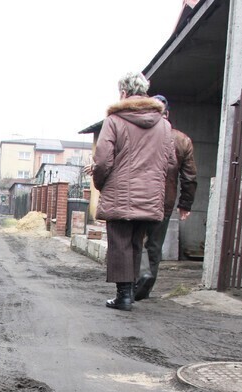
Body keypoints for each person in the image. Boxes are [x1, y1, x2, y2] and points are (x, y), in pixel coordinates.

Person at [88, 73, 175, 311]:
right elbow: (170, 163)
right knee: (136, 242)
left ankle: (123, 296)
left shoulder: (114, 121)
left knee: (120, 243)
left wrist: (101, 184)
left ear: (124, 93)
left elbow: (103, 160)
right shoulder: (164, 125)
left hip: (120, 192)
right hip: (150, 194)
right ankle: (132, 292)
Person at [135, 95, 198, 301]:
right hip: (164, 200)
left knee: (135, 240)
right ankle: (145, 288)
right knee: (154, 244)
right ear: (167, 114)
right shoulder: (182, 140)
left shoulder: (139, 135)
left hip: (139, 196)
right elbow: (189, 177)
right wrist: (185, 204)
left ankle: (136, 279)